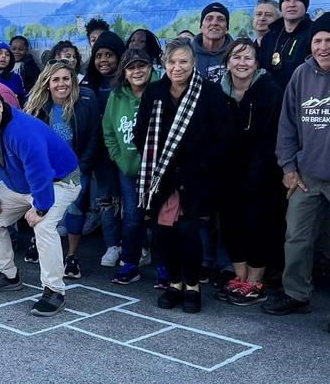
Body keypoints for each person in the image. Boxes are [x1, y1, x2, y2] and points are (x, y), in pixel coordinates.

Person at [263, 12, 330, 335]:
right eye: (317, 41)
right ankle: (296, 294)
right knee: (296, 237)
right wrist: (288, 167)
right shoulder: (301, 74)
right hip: (306, 175)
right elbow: (287, 124)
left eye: (329, 40)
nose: (323, 47)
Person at [0, 83, 82, 316]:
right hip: (20, 184)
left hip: (59, 180)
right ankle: (7, 275)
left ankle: (54, 291)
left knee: (44, 226)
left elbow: (41, 173)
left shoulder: (23, 131)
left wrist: (40, 208)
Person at [134, 38, 230, 313]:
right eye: (172, 62)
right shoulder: (154, 92)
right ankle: (174, 283)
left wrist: (201, 163)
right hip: (161, 177)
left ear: (193, 63)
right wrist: (157, 162)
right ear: (165, 64)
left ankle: (192, 285)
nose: (177, 67)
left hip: (196, 176)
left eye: (183, 61)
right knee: (163, 233)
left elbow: (224, 137)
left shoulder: (209, 93)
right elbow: (141, 133)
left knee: (189, 233)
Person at [215, 37, 285, 306]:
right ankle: (240, 277)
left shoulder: (270, 90)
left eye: (248, 58)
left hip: (262, 174)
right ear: (227, 62)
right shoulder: (218, 92)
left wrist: (257, 174)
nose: (241, 63)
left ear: (257, 64)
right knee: (231, 224)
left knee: (258, 226)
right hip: (227, 173)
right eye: (236, 57)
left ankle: (255, 282)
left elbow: (272, 137)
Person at [24, 59, 100, 279]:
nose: (61, 84)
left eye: (66, 78)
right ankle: (37, 242)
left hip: (77, 167)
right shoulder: (37, 105)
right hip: (46, 170)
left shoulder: (87, 99)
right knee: (42, 206)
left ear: (73, 80)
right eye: (55, 79)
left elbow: (94, 136)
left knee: (76, 209)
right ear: (47, 83)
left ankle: (72, 256)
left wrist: (83, 166)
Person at [102, 48, 157, 284]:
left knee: (161, 220)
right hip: (129, 169)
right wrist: (120, 159)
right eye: (131, 67)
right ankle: (130, 264)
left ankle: (165, 268)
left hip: (158, 170)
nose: (137, 71)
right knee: (133, 218)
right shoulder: (116, 96)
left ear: (150, 67)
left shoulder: (161, 90)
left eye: (141, 66)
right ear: (124, 72)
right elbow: (108, 131)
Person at [84, 30, 128, 266]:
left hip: (127, 152)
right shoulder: (89, 85)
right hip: (101, 153)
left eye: (109, 55)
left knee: (130, 200)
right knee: (107, 198)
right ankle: (112, 245)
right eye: (98, 55)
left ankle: (134, 245)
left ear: (120, 56)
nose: (103, 60)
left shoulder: (129, 83)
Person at [258, 0, 313, 89]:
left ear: (305, 5)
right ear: (281, 6)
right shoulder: (269, 37)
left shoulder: (314, 35)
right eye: (287, 0)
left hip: (301, 96)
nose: (291, 4)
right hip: (270, 98)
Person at [191, 2, 235, 83]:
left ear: (227, 29)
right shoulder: (188, 53)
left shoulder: (237, 54)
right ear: (201, 27)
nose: (214, 23)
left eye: (220, 19)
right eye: (209, 18)